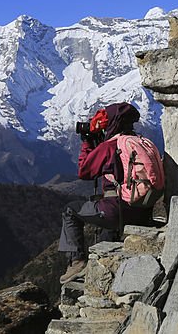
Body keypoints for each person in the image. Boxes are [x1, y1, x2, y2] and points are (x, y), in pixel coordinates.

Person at [57, 101, 155, 284]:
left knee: (70, 211)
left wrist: (87, 142)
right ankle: (105, 270)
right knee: (106, 226)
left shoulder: (110, 146)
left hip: (118, 210)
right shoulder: (141, 142)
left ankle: (76, 262)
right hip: (143, 210)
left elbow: (84, 171)